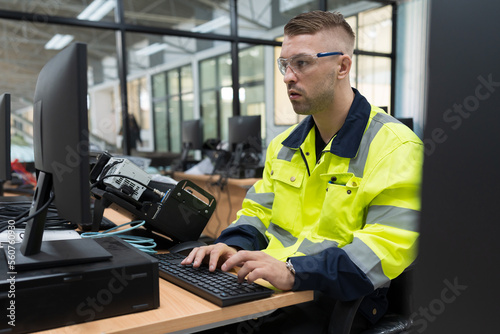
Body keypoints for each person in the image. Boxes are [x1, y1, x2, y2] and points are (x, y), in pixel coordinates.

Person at [182, 10, 423, 333]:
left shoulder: (396, 148)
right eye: (285, 64)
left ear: (342, 66)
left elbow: (385, 248)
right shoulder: (284, 145)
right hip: (274, 288)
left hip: (335, 298)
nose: (288, 77)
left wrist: (295, 271)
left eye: (302, 63)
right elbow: (259, 211)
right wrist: (234, 246)